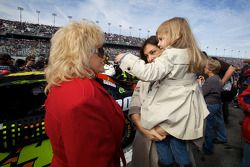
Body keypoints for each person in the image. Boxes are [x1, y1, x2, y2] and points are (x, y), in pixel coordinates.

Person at [116, 17, 209, 166]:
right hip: (147, 138)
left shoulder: (175, 65)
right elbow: (135, 101)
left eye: (154, 52)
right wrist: (141, 126)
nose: (150, 59)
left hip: (172, 132)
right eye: (146, 56)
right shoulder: (184, 61)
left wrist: (168, 127)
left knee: (178, 158)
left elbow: (192, 108)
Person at [44, 21, 125, 167]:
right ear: (82, 53)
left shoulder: (62, 83)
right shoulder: (83, 97)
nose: (104, 57)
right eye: (100, 50)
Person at [197, 58, 224, 155]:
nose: (204, 68)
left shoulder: (211, 80)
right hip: (216, 104)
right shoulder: (216, 78)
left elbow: (201, 93)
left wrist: (199, 84)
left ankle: (208, 149)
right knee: (212, 126)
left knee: (208, 128)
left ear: (210, 69)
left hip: (210, 106)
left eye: (206, 66)